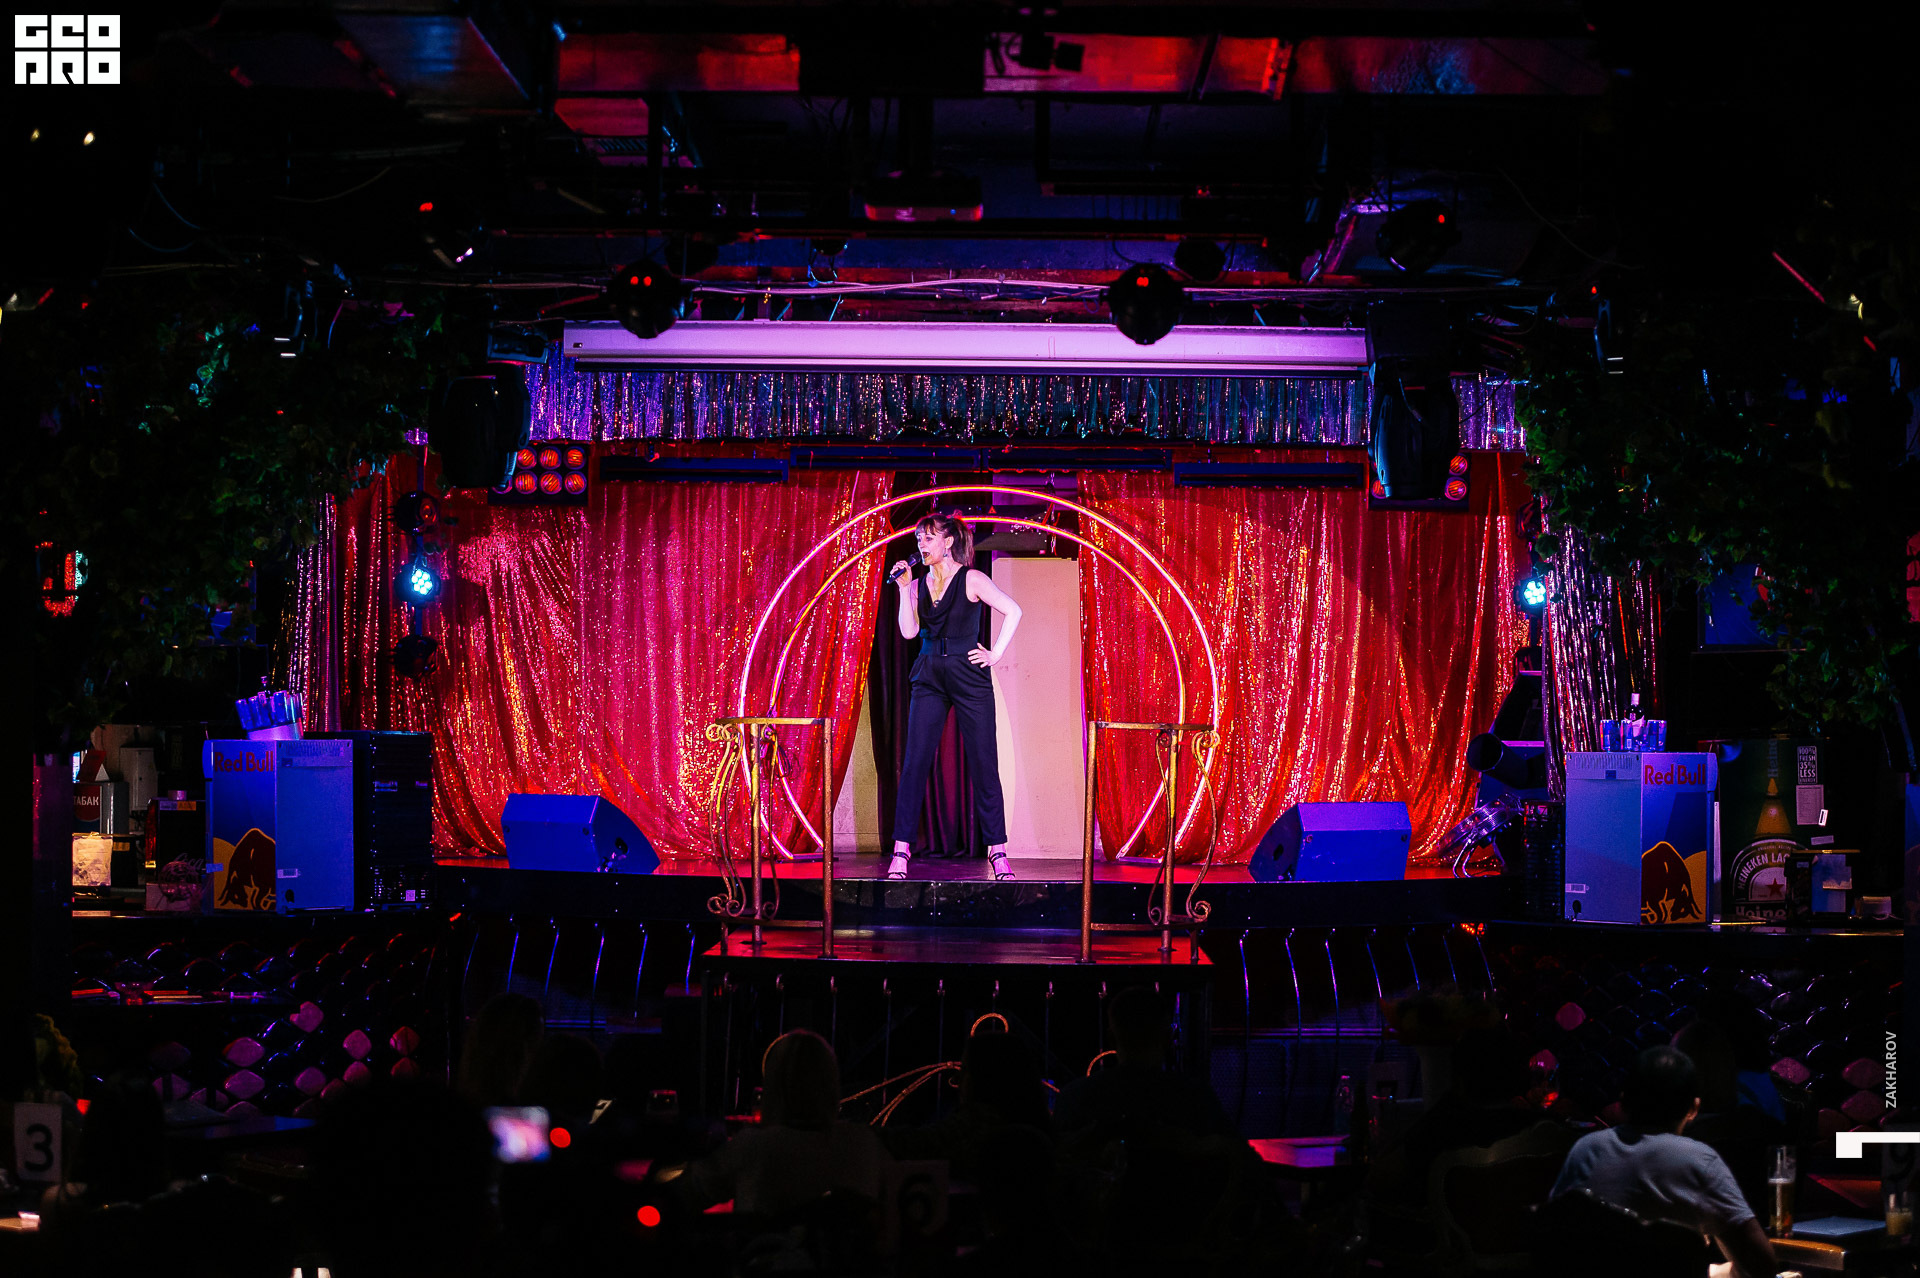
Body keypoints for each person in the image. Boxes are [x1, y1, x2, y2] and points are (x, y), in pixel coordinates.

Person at [1551, 1045, 1777, 1278]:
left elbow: (1555, 1244)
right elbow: (1760, 1266)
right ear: (1693, 1109)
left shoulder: (1586, 1150)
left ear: (1623, 1102)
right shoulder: (1697, 1159)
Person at [887, 511, 1024, 881]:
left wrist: (995, 653)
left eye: (928, 538)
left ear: (947, 542)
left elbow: (1013, 610)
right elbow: (909, 632)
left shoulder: (971, 578)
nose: (921, 544)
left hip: (967, 673)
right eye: (919, 539)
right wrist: (903, 590)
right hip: (929, 672)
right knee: (915, 761)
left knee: (984, 762)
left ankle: (998, 851)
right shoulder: (918, 583)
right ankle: (901, 850)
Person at [683, 1029, 891, 1217]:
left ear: (773, 1088)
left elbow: (686, 1194)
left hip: (762, 1248)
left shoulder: (755, 1147)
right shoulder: (864, 1143)